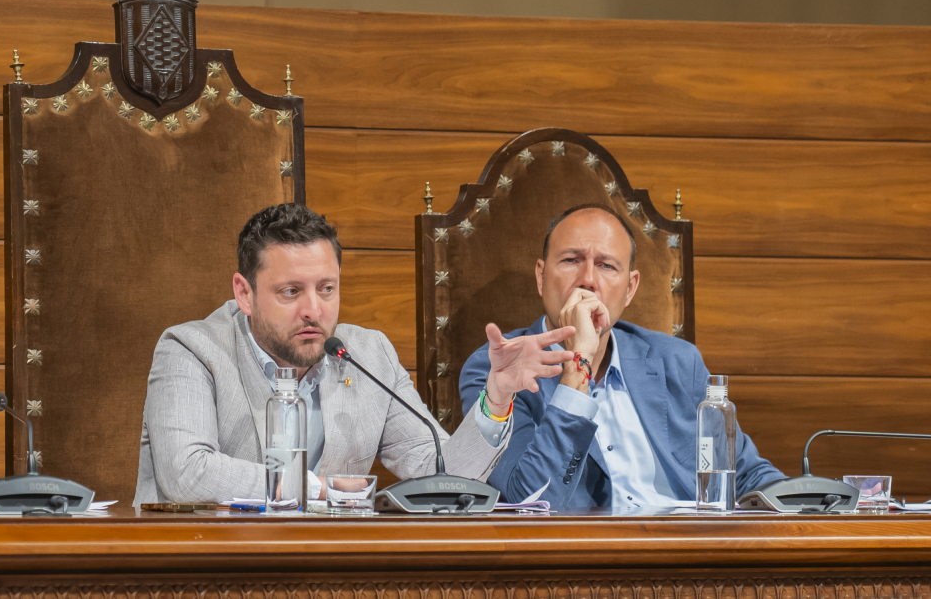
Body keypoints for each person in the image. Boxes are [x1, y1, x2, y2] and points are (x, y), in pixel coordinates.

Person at [134, 203, 575, 506]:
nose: (314, 309)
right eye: (290, 292)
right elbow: (187, 475)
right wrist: (320, 490)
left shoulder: (368, 353)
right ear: (244, 293)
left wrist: (496, 399)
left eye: (326, 289)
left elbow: (439, 472)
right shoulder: (191, 350)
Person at [458, 204, 784, 510]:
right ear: (541, 277)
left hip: (691, 553)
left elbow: (747, 476)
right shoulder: (497, 369)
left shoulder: (678, 362)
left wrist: (812, 504)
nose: (588, 279)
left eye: (606, 265)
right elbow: (529, 501)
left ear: (630, 288)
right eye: (571, 260)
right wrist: (578, 364)